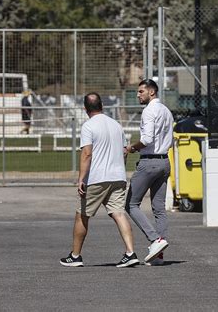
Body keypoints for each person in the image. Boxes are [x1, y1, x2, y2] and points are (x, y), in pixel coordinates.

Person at [60, 92, 139, 268]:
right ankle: (130, 252)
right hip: (118, 176)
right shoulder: (116, 125)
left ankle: (75, 256)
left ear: (85, 108)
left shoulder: (88, 126)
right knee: (119, 213)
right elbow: (125, 151)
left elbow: (87, 153)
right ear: (102, 106)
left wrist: (81, 178)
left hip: (97, 178)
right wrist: (120, 168)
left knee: (82, 215)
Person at [125, 79, 174, 266]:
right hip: (164, 161)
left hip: (149, 162)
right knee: (159, 208)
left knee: (131, 204)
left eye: (141, 92)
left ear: (151, 92)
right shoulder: (166, 111)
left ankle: (155, 240)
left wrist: (131, 148)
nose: (138, 95)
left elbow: (146, 139)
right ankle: (159, 256)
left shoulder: (149, 111)